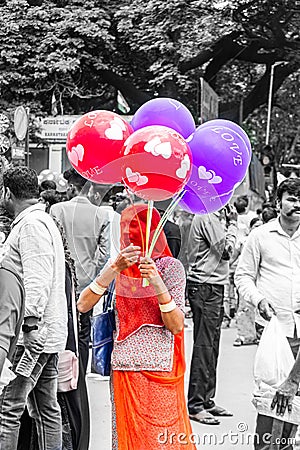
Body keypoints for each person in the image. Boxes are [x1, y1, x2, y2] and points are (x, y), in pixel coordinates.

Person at [77, 204, 196, 450]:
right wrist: (113, 269)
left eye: (138, 228)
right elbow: (83, 305)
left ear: (153, 231)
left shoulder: (170, 268)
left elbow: (175, 324)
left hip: (160, 368)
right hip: (123, 367)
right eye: (126, 229)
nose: (132, 235)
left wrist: (156, 282)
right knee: (126, 439)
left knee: (162, 438)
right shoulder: (118, 266)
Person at [0, 166, 67, 450]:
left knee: (9, 409)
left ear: (7, 192)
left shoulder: (31, 226)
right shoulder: (40, 221)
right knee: (45, 408)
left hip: (33, 336)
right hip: (46, 334)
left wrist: (30, 326)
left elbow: (36, 280)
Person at [235, 178, 300, 449]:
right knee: (273, 398)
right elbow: (243, 276)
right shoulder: (260, 236)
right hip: (276, 330)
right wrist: (258, 299)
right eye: (292, 199)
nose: (298, 205)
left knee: (294, 400)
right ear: (278, 203)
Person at [50, 168, 110, 450]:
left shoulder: (57, 210)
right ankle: (78, 381)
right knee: (81, 345)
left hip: (62, 289)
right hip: (86, 290)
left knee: (60, 345)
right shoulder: (101, 215)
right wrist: (90, 275)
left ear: (72, 187)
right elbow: (104, 254)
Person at [186, 203, 238, 425]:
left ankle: (207, 399)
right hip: (205, 285)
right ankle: (196, 404)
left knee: (212, 345)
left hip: (213, 285)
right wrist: (234, 224)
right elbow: (226, 252)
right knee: (204, 345)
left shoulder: (215, 217)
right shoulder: (208, 216)